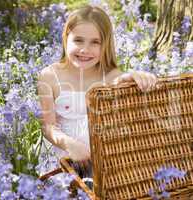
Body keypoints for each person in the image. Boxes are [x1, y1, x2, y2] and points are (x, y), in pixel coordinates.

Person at [37, 5, 157, 172]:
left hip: (101, 162)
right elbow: (48, 126)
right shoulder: (50, 76)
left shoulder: (109, 75)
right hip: (64, 159)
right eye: (78, 40)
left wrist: (136, 77)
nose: (85, 50)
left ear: (105, 45)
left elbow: (120, 83)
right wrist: (70, 144)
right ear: (66, 39)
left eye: (95, 42)